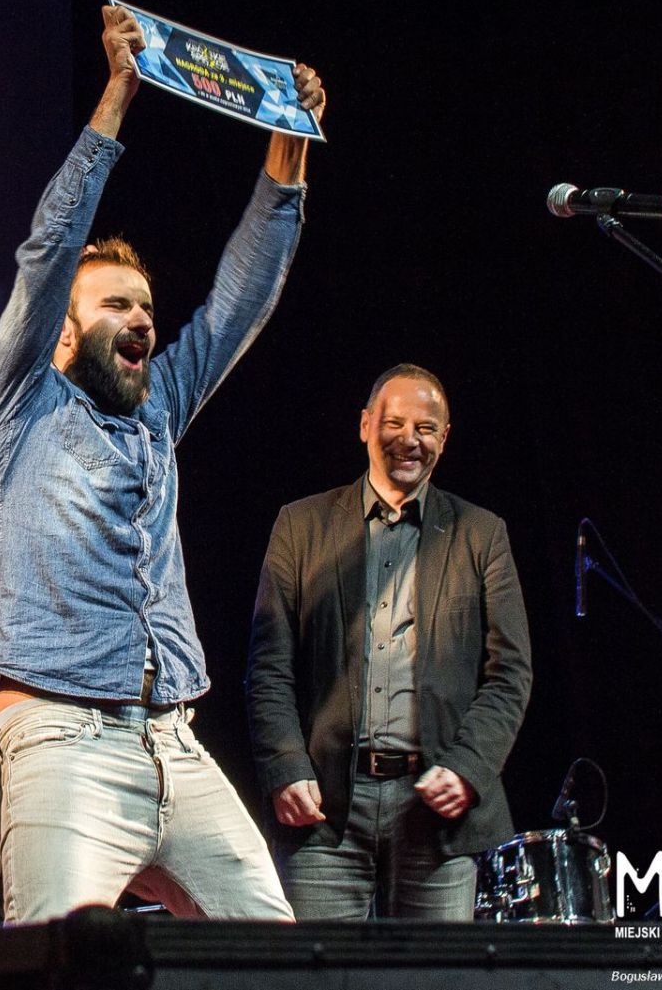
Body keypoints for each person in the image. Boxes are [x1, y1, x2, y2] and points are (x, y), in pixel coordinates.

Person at [0, 6, 325, 922]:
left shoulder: (158, 404)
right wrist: (118, 97)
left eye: (146, 307)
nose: (141, 320)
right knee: (54, 964)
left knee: (278, 957)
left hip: (174, 738)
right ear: (62, 333)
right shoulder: (18, 401)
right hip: (62, 736)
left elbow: (238, 304)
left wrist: (288, 143)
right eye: (114, 305)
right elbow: (50, 251)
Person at [244, 364, 532, 920]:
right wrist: (285, 765)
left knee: (434, 971)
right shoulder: (300, 526)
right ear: (365, 425)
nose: (409, 439)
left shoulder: (482, 533)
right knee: (318, 968)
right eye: (395, 423)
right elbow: (269, 667)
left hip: (437, 816)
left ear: (444, 438)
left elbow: (510, 673)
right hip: (325, 808)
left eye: (426, 428)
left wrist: (470, 766)